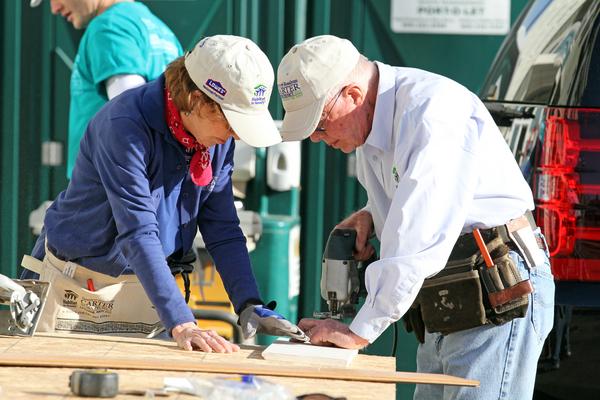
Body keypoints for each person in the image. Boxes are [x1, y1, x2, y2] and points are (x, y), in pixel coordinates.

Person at [277, 35, 555, 399]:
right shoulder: (372, 126)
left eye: (321, 123)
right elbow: (413, 202)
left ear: (353, 96)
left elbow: (418, 236)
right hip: (451, 289)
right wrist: (370, 217)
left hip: (495, 288)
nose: (316, 137)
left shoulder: (430, 112)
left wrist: (357, 331)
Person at [20, 35, 305, 352]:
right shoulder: (124, 126)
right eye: (231, 121)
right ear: (197, 100)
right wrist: (182, 321)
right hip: (76, 289)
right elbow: (138, 233)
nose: (236, 134)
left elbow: (222, 227)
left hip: (147, 291)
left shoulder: (217, 140)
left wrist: (249, 302)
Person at [30, 0, 183, 178]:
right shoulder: (158, 28)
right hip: (147, 184)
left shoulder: (108, 27)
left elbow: (132, 118)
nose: (54, 8)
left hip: (107, 188)